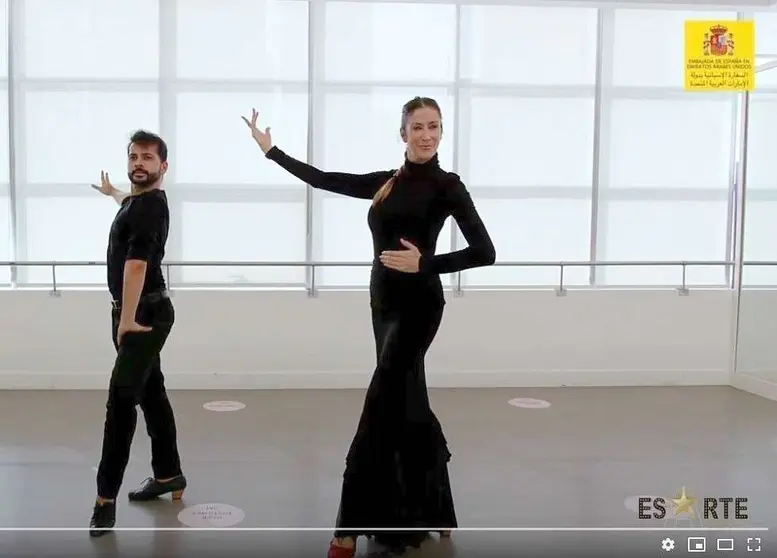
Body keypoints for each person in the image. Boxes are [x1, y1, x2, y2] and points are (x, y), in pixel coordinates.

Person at [242, 97, 496, 556]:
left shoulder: (447, 186)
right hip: (383, 303)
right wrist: (271, 151)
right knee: (407, 398)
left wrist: (427, 263)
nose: (426, 135)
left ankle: (348, 526)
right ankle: (433, 507)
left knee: (382, 400)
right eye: (417, 127)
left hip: (420, 305)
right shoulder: (387, 183)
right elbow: (327, 180)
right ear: (403, 134)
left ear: (441, 132)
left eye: (434, 127)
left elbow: (485, 251)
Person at [88, 130, 187, 537]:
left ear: (163, 166)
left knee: (120, 401)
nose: (138, 163)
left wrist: (125, 320)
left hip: (143, 315)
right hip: (139, 311)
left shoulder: (146, 208)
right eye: (133, 157)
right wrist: (114, 192)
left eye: (147, 157)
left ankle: (104, 500)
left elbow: (135, 266)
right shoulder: (142, 202)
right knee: (152, 393)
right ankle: (169, 475)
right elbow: (129, 204)